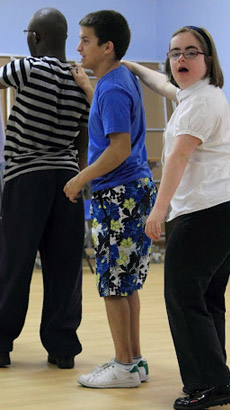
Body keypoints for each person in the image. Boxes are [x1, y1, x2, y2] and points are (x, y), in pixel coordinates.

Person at [123, 26, 230, 409]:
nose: (181, 59)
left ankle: (211, 385)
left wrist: (158, 212)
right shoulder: (198, 95)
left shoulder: (199, 104)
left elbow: (179, 158)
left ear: (208, 60)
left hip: (208, 213)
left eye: (190, 52)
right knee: (206, 298)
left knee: (183, 297)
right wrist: (132, 66)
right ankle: (216, 378)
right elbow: (164, 84)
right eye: (175, 52)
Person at [64, 10, 156, 388]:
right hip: (132, 192)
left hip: (119, 195)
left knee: (114, 283)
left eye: (86, 40)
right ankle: (133, 360)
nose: (79, 46)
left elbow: (117, 149)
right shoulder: (116, 80)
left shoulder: (115, 87)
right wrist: (88, 86)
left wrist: (79, 179)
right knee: (127, 281)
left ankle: (122, 366)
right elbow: (110, 117)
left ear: (108, 46)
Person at [0, 8, 90, 369]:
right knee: (65, 267)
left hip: (26, 179)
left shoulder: (27, 66)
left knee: (14, 264)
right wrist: (79, 178)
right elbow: (83, 135)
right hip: (68, 181)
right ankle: (63, 347)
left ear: (34, 38)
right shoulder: (82, 77)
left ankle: (1, 343)